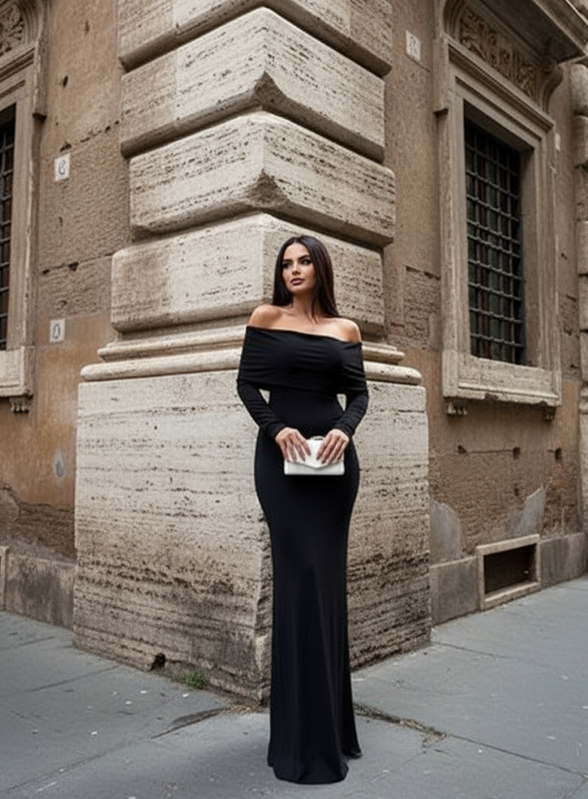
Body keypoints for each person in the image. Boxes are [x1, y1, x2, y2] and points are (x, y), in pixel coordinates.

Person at [236, 235, 369, 784]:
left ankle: (331, 732)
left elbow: (358, 395)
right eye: (286, 263)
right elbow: (247, 386)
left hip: (335, 472)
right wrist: (277, 429)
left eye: (303, 260)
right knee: (300, 583)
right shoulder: (266, 317)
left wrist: (342, 429)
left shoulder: (346, 331)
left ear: (320, 267)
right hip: (282, 464)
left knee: (327, 587)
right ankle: (298, 741)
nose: (294, 269)